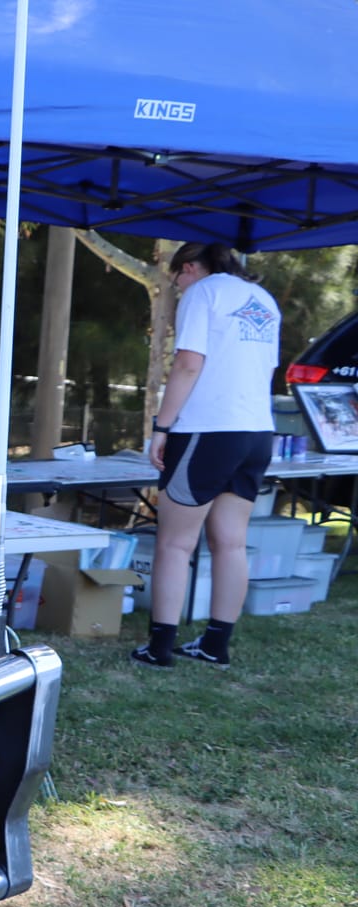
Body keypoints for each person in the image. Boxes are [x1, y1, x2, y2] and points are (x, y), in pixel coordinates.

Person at [132, 241, 281, 669]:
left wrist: (162, 426)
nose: (177, 286)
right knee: (231, 543)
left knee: (175, 544)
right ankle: (216, 643)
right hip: (256, 432)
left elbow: (188, 364)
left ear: (191, 267)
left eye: (177, 276)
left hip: (207, 429)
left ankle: (159, 647)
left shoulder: (204, 292)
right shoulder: (263, 299)